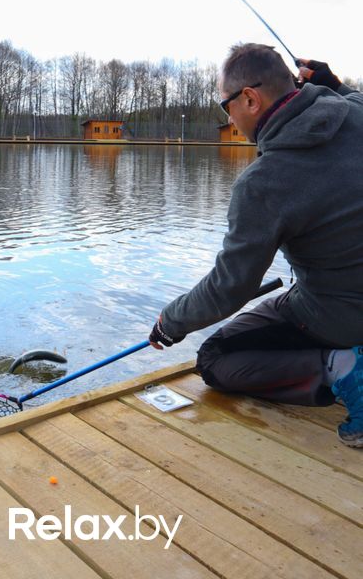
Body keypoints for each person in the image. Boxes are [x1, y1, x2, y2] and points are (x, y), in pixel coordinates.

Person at [149, 44, 363, 447]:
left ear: (250, 98)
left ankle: (345, 369)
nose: (227, 118)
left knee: (216, 359)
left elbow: (232, 286)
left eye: (224, 106)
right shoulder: (357, 111)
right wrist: (334, 84)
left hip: (338, 313)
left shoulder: (264, 182)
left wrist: (171, 321)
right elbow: (351, 97)